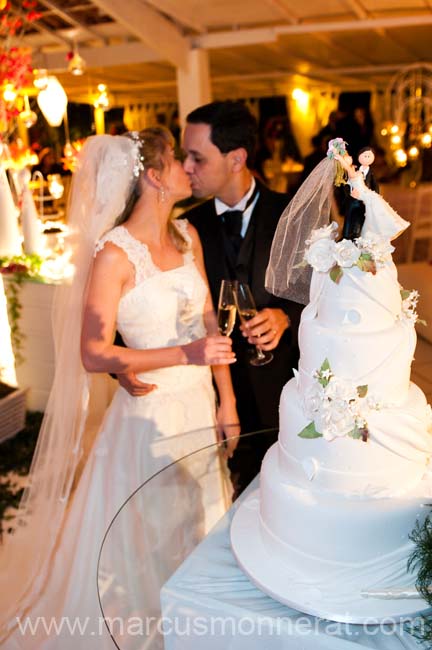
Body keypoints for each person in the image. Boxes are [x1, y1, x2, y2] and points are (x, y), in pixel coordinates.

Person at [0, 128, 239, 648]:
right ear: (154, 177)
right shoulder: (114, 254)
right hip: (147, 418)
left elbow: (207, 323)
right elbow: (94, 351)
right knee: (150, 539)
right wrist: (184, 355)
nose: (188, 168)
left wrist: (228, 398)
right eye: (178, 159)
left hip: (198, 406)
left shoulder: (186, 236)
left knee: (199, 522)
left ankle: (198, 622)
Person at [181, 101, 303, 497]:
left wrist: (286, 316)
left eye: (197, 158)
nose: (186, 167)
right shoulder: (185, 227)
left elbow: (325, 296)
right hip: (213, 401)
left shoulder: (292, 215)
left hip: (283, 394)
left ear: (236, 159)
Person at [266, 137, 410, 307]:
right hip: (355, 204)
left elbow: (373, 187)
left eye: (370, 156)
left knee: (372, 228)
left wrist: (372, 198)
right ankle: (349, 244)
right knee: (352, 227)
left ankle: (360, 246)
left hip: (367, 202)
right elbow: (346, 178)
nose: (368, 158)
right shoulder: (353, 171)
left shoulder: (368, 173)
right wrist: (339, 157)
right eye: (365, 155)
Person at [341, 145, 379, 240]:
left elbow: (375, 186)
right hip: (352, 199)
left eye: (369, 156)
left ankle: (357, 236)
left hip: (365, 201)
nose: (366, 158)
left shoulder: (372, 173)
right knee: (349, 218)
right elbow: (346, 183)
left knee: (361, 219)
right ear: (359, 156)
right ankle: (346, 235)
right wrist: (349, 194)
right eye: (364, 155)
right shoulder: (355, 169)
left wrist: (374, 198)